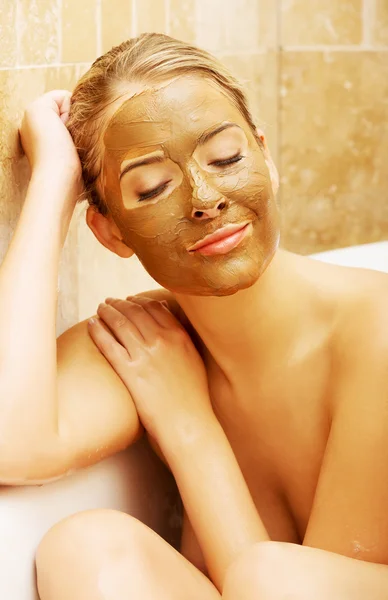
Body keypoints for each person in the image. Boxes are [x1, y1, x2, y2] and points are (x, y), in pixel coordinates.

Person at [1, 32, 387, 598]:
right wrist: (55, 182)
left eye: (227, 157)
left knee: (271, 577)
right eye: (153, 188)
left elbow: (279, 589)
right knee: (85, 548)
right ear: (110, 232)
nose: (205, 198)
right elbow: (13, 443)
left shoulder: (376, 335)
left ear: (266, 158)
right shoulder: (147, 344)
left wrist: (190, 428)